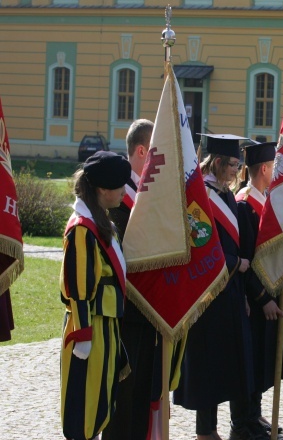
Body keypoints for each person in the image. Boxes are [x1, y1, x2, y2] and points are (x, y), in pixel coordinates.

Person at [174, 134, 255, 440]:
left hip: (230, 290)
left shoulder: (225, 193)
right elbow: (202, 243)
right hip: (208, 292)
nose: (238, 170)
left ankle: (225, 427)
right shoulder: (201, 195)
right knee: (208, 364)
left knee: (226, 362)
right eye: (234, 164)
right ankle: (205, 431)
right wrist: (236, 263)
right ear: (219, 163)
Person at [60, 151, 131, 440]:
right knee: (86, 405)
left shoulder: (100, 222)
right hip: (91, 327)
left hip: (107, 324)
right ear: (103, 190)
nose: (124, 191)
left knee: (102, 400)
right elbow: (78, 287)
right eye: (120, 186)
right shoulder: (81, 230)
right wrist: (84, 333)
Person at [235, 141, 283, 436]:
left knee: (261, 360)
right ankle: (243, 422)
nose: (276, 172)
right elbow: (247, 260)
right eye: (274, 167)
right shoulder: (245, 206)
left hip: (269, 295)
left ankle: (255, 414)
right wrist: (262, 299)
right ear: (264, 169)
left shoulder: (264, 201)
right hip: (254, 300)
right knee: (248, 362)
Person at [102, 119, 158, 440]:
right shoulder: (119, 198)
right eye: (155, 151)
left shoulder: (141, 192)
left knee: (141, 393)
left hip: (148, 310)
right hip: (128, 311)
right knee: (123, 396)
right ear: (141, 150)